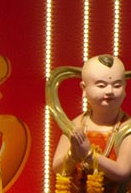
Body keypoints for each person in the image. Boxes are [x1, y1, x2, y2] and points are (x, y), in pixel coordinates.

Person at [55, 55, 131, 193]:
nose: (109, 91)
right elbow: (57, 167)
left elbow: (122, 172)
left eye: (117, 85)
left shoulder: (127, 128)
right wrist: (73, 155)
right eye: (101, 85)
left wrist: (89, 155)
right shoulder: (77, 124)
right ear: (84, 88)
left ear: (125, 88)